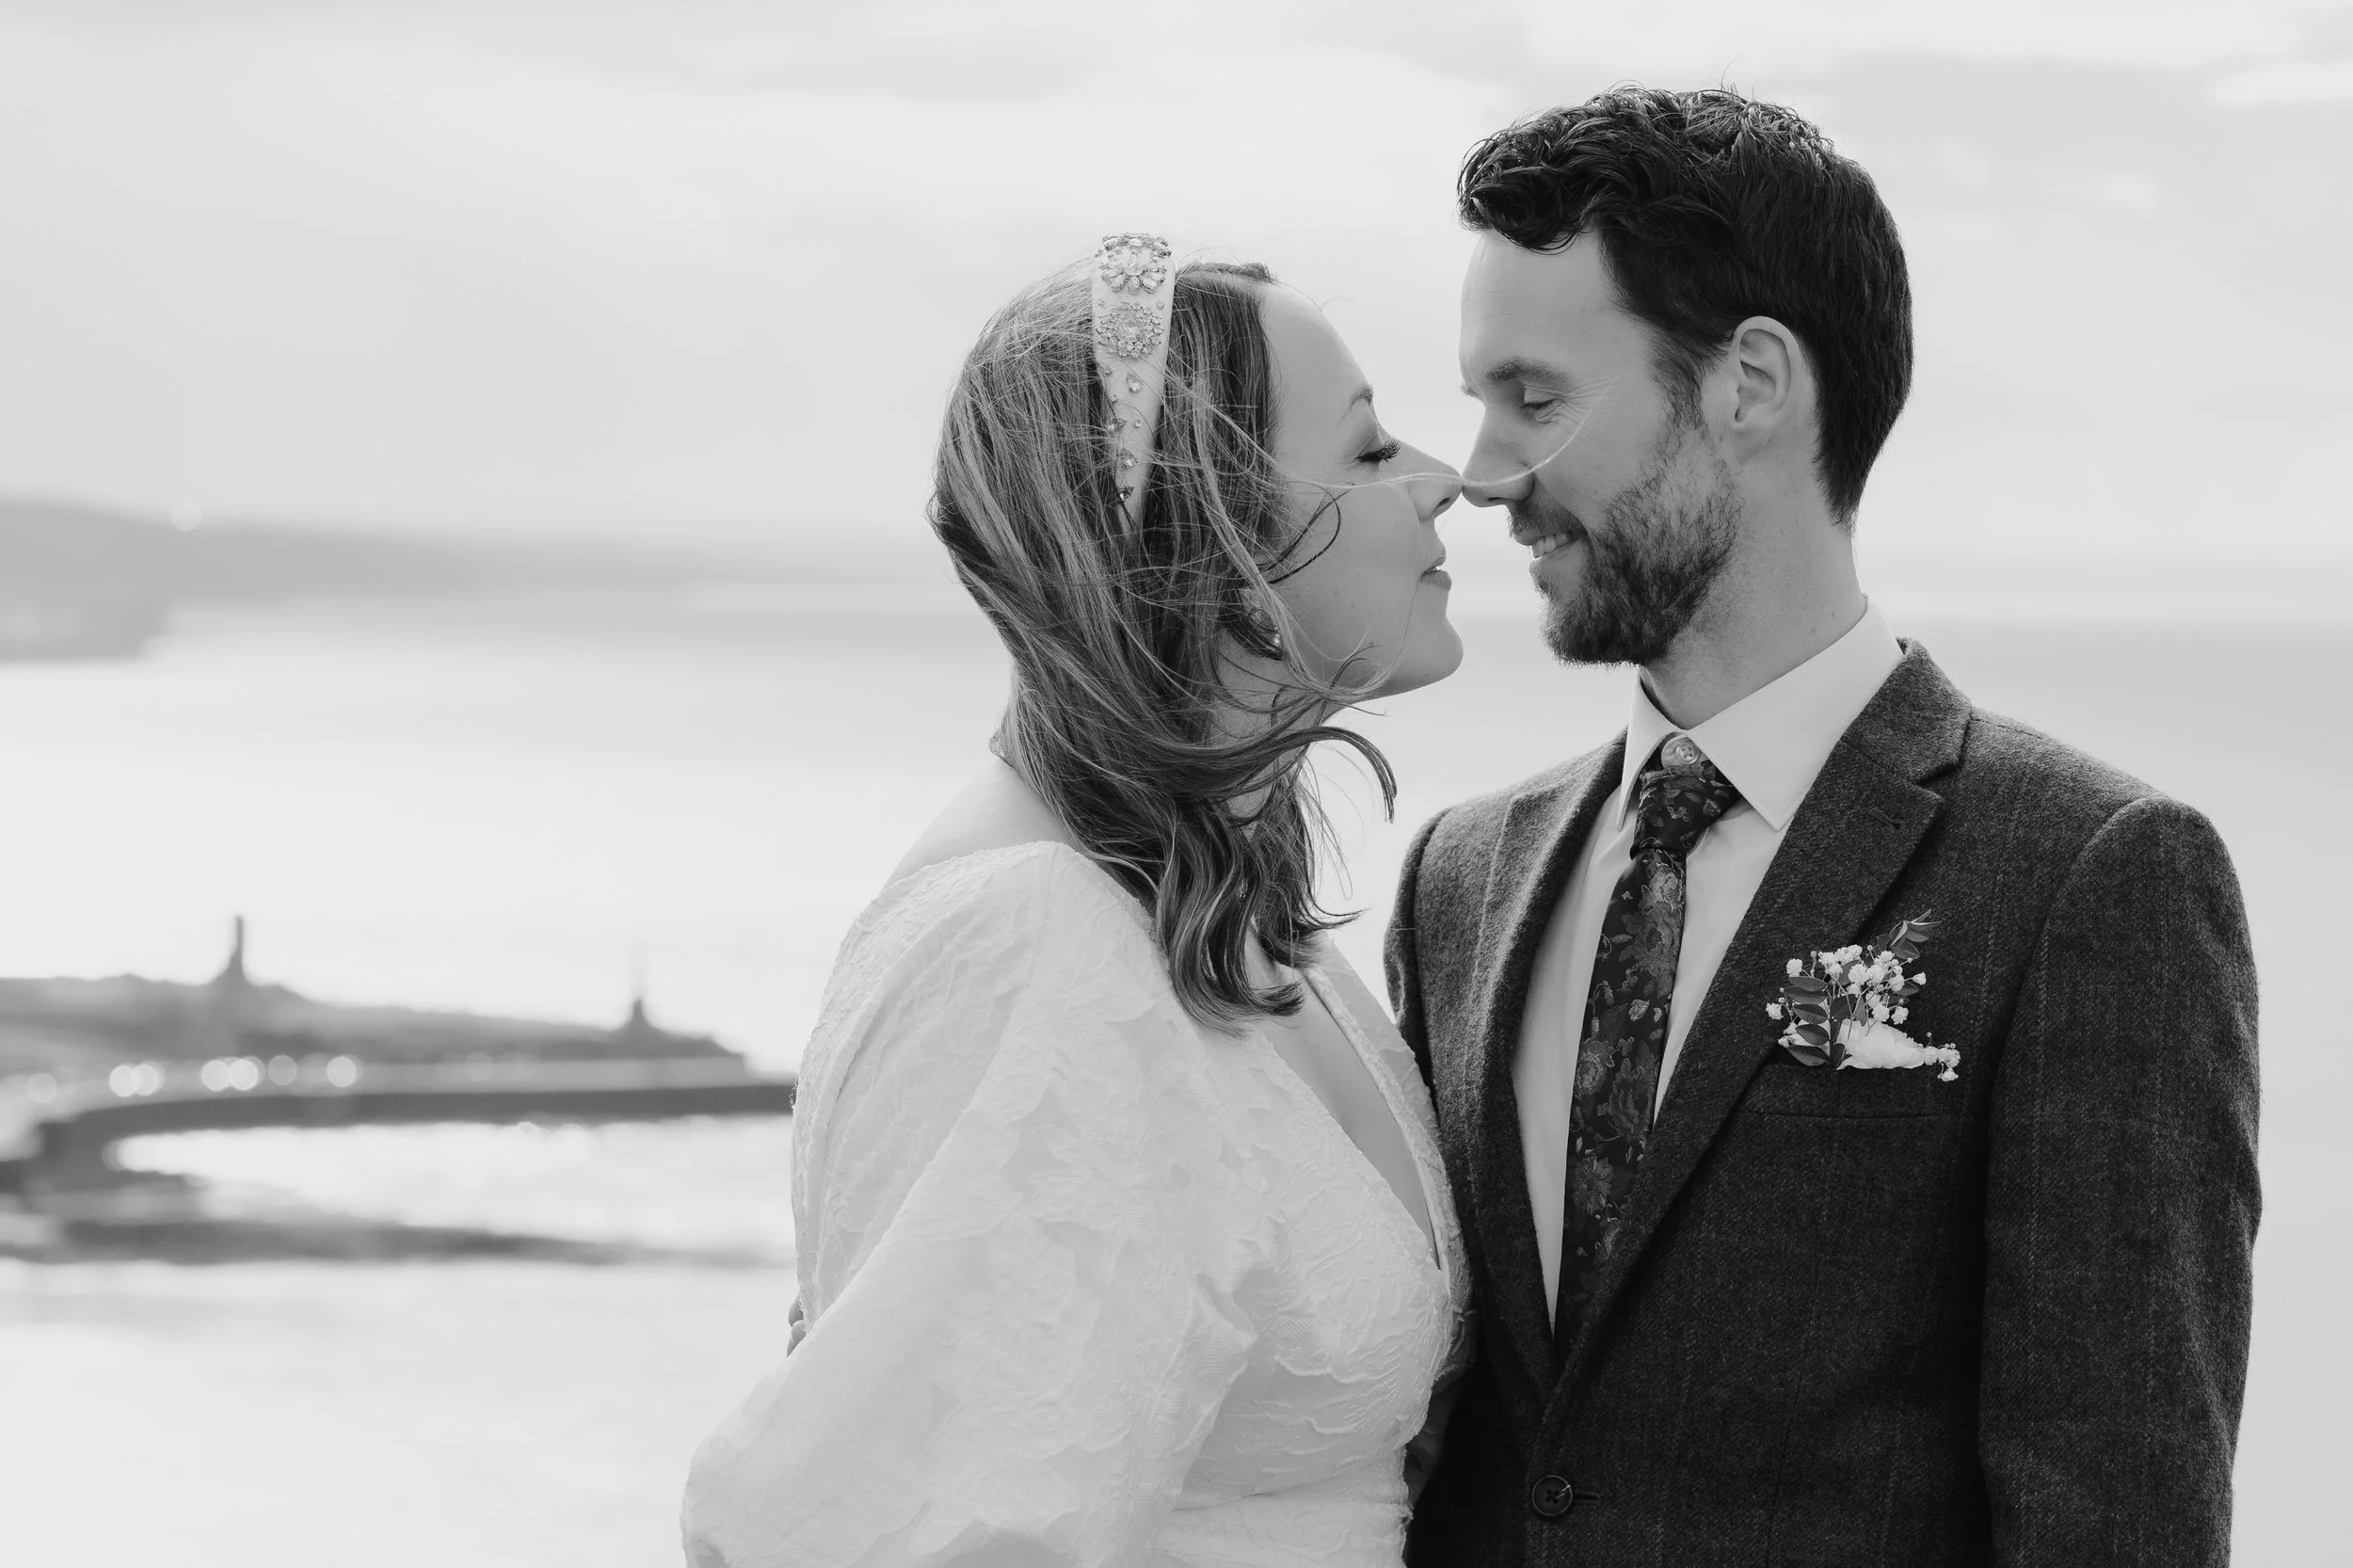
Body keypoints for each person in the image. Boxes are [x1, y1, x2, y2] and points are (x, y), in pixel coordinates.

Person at [1391, 88, 2259, 1565]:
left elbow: (2116, 1521)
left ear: (1751, 385)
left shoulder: (2089, 878)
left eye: (1535, 400)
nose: (1482, 474)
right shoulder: (1461, 877)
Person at [681, 238, 1474, 1565]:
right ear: (1218, 546)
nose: (1447, 483)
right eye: (1372, 449)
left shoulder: (1229, 917)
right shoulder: (1031, 943)